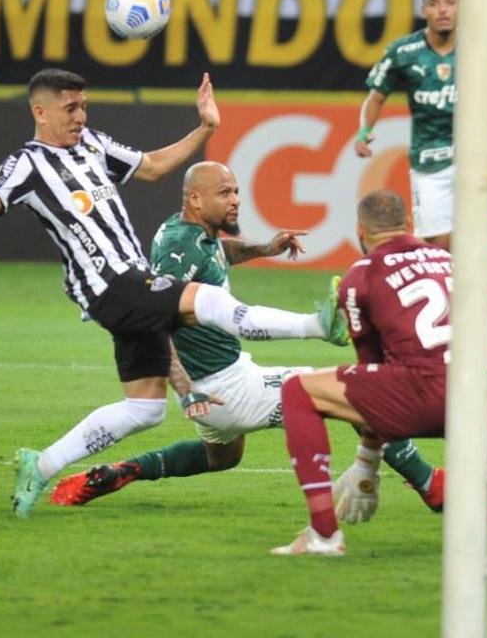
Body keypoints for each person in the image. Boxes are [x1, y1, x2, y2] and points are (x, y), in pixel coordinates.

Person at [0, 68, 348, 519]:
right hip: (112, 285)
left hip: (128, 288)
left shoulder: (93, 145)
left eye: (83, 106)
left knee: (144, 410)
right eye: (70, 108)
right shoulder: (27, 164)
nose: (80, 116)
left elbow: (152, 167)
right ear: (40, 112)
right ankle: (317, 325)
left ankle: (40, 465)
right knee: (208, 301)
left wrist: (204, 127)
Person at [50, 161, 441, 513]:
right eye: (225, 193)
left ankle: (125, 470)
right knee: (357, 395)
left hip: (220, 385)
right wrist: (185, 389)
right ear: (196, 198)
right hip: (223, 387)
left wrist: (265, 248)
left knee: (222, 457)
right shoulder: (178, 248)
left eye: (236, 190)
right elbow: (154, 319)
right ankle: (429, 484)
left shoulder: (189, 232)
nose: (236, 199)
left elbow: (219, 254)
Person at [270, 189, 487, 557]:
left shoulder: (362, 274)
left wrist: (367, 464)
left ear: (360, 231)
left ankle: (324, 536)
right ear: (408, 225)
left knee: (298, 390)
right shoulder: (449, 259)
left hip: (427, 392)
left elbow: (370, 376)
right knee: (483, 500)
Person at [355, 0, 487, 371]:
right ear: (423, 9)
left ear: (459, 5)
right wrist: (364, 130)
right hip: (429, 167)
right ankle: (441, 339)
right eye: (435, 3)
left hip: (477, 156)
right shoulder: (404, 53)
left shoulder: (478, 47)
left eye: (449, 2)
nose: (443, 10)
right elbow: (376, 96)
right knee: (437, 254)